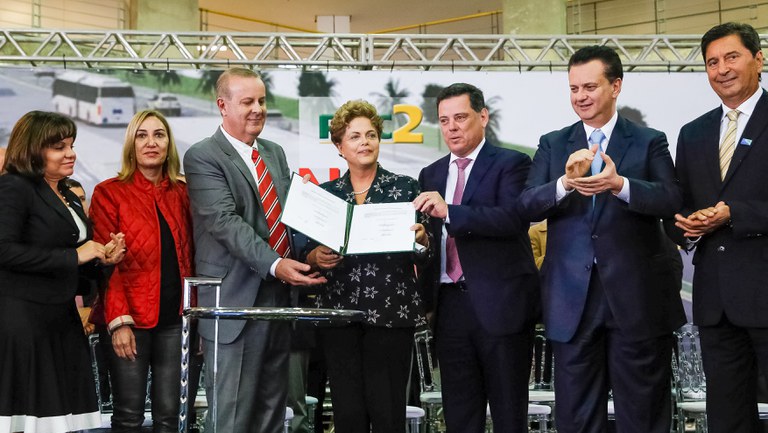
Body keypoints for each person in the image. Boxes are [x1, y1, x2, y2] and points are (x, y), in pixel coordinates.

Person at [517, 45, 685, 433]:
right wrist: (564, 183)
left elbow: (672, 198)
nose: (581, 97)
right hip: (572, 303)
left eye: (590, 87)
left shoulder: (649, 140)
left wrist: (620, 185)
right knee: (576, 418)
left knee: (642, 415)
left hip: (636, 300)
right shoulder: (552, 143)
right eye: (574, 88)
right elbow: (526, 205)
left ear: (616, 86)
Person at [183, 67, 326, 433]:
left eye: (261, 101)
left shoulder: (274, 153)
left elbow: (288, 216)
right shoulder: (203, 156)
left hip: (278, 301)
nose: (257, 109)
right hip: (234, 304)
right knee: (231, 418)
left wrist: (310, 254)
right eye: (247, 102)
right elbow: (225, 223)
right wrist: (277, 264)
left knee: (271, 413)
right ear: (222, 105)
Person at [413, 83, 539, 433]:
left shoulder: (512, 163)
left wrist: (450, 211)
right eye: (444, 120)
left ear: (483, 116)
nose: (452, 127)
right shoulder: (431, 173)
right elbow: (432, 238)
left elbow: (513, 219)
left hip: (501, 307)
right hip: (449, 308)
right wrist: (422, 240)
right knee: (459, 415)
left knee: (508, 414)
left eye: (461, 117)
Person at [303, 99, 431, 433]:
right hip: (339, 317)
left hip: (390, 318)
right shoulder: (326, 194)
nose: (365, 142)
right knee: (348, 414)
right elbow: (305, 251)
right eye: (355, 136)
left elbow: (424, 252)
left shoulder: (405, 187)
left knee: (389, 414)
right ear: (339, 146)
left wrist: (422, 240)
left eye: (371, 134)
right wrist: (314, 256)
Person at [0, 110, 125, 433]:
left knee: (60, 422)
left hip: (61, 320)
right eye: (60, 147)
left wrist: (102, 259)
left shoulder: (67, 193)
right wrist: (74, 256)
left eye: (71, 144)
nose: (71, 153)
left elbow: (73, 258)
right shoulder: (15, 187)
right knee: (29, 420)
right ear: (32, 149)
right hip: (25, 323)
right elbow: (4, 250)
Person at [671, 22, 768, 433]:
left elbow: (736, 207)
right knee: (728, 418)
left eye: (732, 57)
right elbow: (678, 210)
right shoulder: (692, 133)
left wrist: (736, 213)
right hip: (716, 304)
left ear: (758, 59)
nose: (722, 69)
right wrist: (687, 227)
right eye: (712, 62)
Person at [89, 109, 194, 433]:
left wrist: (197, 317)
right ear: (131, 144)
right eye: (142, 135)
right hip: (129, 321)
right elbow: (107, 267)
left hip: (176, 321)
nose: (151, 142)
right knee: (129, 415)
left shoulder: (184, 192)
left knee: (171, 416)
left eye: (159, 134)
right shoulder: (109, 192)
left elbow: (196, 257)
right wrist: (118, 322)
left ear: (168, 143)